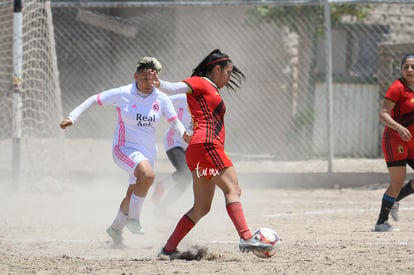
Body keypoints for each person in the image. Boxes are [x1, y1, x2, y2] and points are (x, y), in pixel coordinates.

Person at [153, 49, 273, 258]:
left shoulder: (211, 89)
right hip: (207, 146)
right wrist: (158, 82)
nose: (229, 77)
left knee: (201, 207)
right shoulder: (200, 82)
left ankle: (169, 249)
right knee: (233, 189)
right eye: (228, 72)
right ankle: (245, 237)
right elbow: (174, 88)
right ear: (216, 69)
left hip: (197, 150)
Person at [59, 57, 190, 246]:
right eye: (144, 79)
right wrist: (73, 117)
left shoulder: (161, 98)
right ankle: (133, 219)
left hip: (147, 152)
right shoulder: (123, 93)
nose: (148, 83)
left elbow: (174, 121)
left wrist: (184, 133)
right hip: (124, 148)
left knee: (132, 193)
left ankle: (115, 229)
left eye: (152, 79)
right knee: (147, 175)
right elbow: (93, 100)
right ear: (135, 76)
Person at [375, 53, 414, 232]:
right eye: (406, 66)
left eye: (412, 66)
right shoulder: (397, 88)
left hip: (412, 141)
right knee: (397, 182)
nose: (409, 70)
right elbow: (383, 113)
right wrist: (398, 127)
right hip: (395, 140)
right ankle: (381, 223)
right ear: (401, 69)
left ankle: (396, 199)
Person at [151, 93, 193, 212]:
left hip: (191, 146)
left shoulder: (210, 104)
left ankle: (162, 209)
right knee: (185, 172)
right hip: (174, 141)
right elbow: (162, 101)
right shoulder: (185, 98)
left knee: (187, 179)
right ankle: (162, 185)